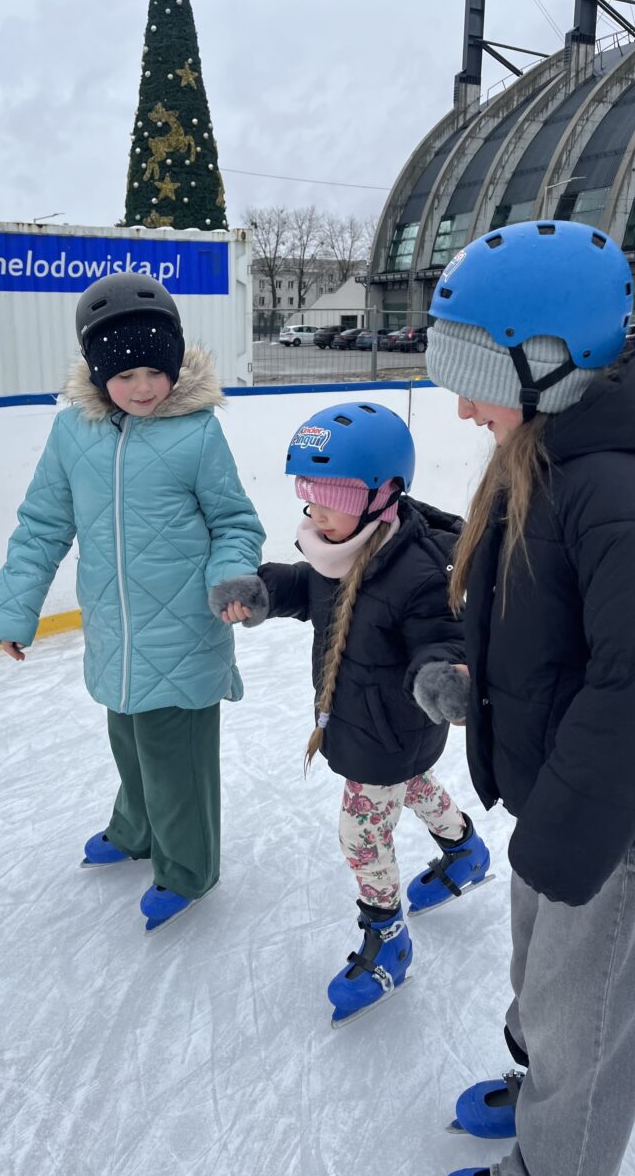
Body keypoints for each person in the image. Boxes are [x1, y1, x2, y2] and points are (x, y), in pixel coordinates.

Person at [425, 220, 635, 1176]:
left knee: (586, 1008)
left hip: (618, 813)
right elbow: (552, 640)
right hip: (568, 792)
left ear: (550, 365)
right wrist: (480, 695)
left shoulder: (623, 500)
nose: (465, 404)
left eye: (476, 371)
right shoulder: (549, 466)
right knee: (543, 980)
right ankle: (540, 1090)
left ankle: (552, 1172)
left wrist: (568, 832)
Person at [0, 273, 265, 933]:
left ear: (174, 365)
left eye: (153, 371)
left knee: (176, 761)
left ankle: (188, 869)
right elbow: (42, 525)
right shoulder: (72, 434)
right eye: (124, 373)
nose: (142, 387)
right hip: (115, 635)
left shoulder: (195, 434)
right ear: (96, 370)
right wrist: (14, 608)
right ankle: (135, 830)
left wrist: (230, 580)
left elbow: (235, 524)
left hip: (186, 632)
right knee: (131, 744)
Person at [209, 401, 491, 1025]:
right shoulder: (339, 548)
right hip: (375, 727)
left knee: (361, 836)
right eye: (310, 493)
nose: (316, 511)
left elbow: (443, 633)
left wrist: (440, 677)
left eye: (332, 494)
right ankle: (466, 851)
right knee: (414, 787)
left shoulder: (416, 570)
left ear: (384, 495)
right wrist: (261, 592)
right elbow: (306, 587)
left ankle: (389, 939)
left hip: (389, 729)